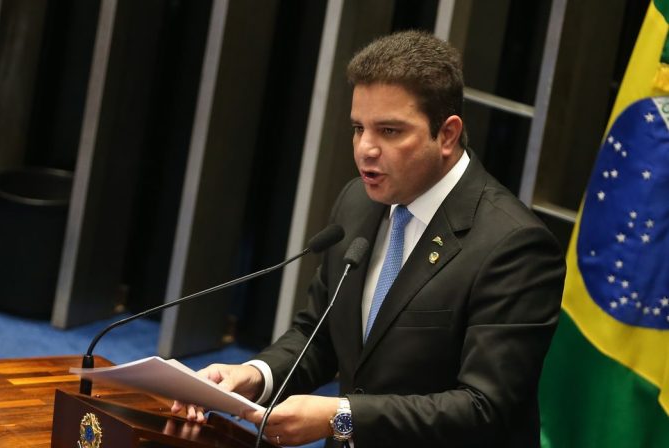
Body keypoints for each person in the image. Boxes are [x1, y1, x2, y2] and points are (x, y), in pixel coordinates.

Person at [173, 30, 566, 447]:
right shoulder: (357, 202)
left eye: (390, 131)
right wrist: (255, 375)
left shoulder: (513, 245)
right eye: (359, 128)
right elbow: (320, 333)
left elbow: (484, 408)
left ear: (447, 134)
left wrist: (341, 417)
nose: (365, 149)